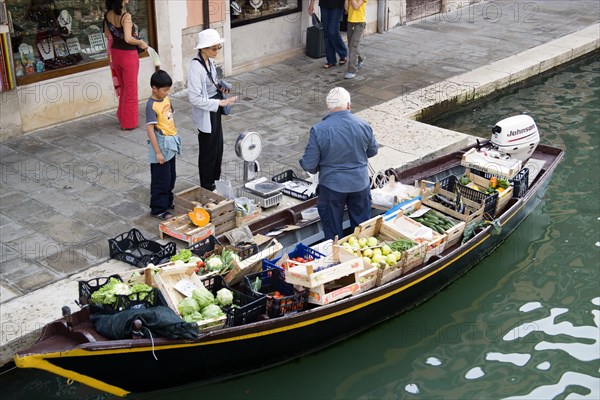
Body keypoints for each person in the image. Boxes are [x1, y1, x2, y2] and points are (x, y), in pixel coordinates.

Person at [299, 87, 378, 240]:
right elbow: (372, 151)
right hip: (359, 184)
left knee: (332, 233)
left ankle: (336, 258)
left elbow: (309, 164)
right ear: (348, 105)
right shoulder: (363, 125)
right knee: (362, 231)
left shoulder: (318, 130)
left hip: (331, 187)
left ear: (329, 108)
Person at [188, 29, 238, 191]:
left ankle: (215, 181)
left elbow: (211, 83)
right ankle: (207, 185)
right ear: (203, 48)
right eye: (214, 48)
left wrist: (220, 89)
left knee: (218, 147)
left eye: (218, 48)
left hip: (214, 108)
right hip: (207, 111)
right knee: (208, 150)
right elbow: (194, 98)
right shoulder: (196, 67)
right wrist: (219, 104)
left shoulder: (209, 61)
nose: (217, 51)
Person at [104, 0, 148, 131]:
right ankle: (129, 122)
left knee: (123, 87)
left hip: (116, 54)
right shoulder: (126, 16)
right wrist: (141, 42)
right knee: (131, 89)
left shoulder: (108, 15)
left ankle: (122, 115)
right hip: (128, 56)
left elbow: (107, 34)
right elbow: (128, 39)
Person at [145, 70, 181, 220]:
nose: (167, 93)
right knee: (161, 178)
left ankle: (168, 201)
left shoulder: (166, 100)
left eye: (168, 90)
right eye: (164, 90)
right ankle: (158, 208)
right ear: (154, 88)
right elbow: (150, 130)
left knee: (171, 176)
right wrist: (158, 152)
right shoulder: (151, 105)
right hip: (160, 145)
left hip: (170, 143)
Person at [308, 0, 348, 69]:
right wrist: (311, 4)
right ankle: (331, 60)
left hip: (338, 4)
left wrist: (346, 4)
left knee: (332, 31)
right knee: (326, 32)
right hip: (324, 4)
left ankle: (343, 53)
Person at [343, 0, 366, 79]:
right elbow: (346, 9)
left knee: (353, 46)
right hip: (350, 22)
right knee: (351, 45)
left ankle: (352, 70)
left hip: (359, 23)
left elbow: (356, 6)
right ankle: (362, 57)